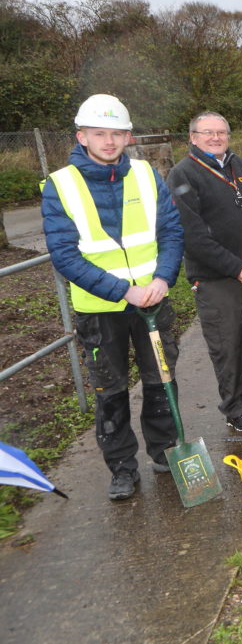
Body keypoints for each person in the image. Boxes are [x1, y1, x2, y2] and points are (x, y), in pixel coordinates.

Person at [41, 94, 184, 500]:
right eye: (99, 134)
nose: (109, 141)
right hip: (101, 311)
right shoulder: (61, 185)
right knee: (111, 390)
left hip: (153, 301)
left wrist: (162, 278)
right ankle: (122, 467)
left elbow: (170, 232)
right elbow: (65, 255)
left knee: (162, 379)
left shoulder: (145, 174)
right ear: (81, 136)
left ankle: (166, 451)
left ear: (128, 136)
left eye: (116, 133)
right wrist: (125, 291)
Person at [166, 112, 242, 432]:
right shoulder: (183, 174)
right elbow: (192, 236)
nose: (216, 138)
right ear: (193, 137)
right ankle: (234, 406)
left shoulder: (240, 163)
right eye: (208, 132)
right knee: (228, 343)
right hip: (218, 276)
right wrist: (234, 267)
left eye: (221, 132)